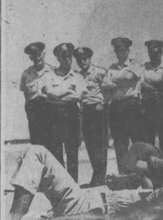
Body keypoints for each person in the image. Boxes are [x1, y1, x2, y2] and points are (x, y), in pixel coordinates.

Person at [5, 145, 163, 220]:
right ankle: (14, 219)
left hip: (85, 205)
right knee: (33, 154)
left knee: (38, 154)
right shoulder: (159, 188)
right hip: (85, 199)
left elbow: (153, 161)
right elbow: (147, 162)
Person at [41, 43, 86, 182]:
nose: (68, 60)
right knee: (56, 150)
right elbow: (49, 93)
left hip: (71, 115)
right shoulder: (48, 75)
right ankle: (60, 184)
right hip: (54, 116)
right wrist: (67, 92)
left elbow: (78, 96)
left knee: (72, 151)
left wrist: (57, 96)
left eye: (69, 57)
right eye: (64, 57)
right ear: (58, 58)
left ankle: (73, 183)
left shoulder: (77, 77)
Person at [102, 37, 144, 174]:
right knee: (120, 144)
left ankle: (141, 174)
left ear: (128, 50)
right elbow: (104, 84)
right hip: (116, 107)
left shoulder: (135, 65)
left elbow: (130, 77)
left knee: (137, 142)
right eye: (117, 50)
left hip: (131, 106)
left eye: (123, 50)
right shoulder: (111, 68)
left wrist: (114, 81)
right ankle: (123, 175)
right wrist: (121, 80)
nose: (120, 53)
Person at [73, 47, 108, 188]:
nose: (82, 62)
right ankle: (96, 177)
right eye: (79, 59)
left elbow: (110, 91)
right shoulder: (78, 75)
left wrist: (103, 104)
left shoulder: (99, 72)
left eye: (84, 58)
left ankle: (100, 179)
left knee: (100, 146)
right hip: (85, 111)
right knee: (90, 146)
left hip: (98, 111)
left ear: (90, 58)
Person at [141, 40, 163, 154]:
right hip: (148, 105)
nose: (154, 57)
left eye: (156, 54)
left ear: (161, 53)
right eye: (151, 54)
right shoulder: (144, 67)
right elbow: (141, 82)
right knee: (149, 136)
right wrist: (154, 88)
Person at [20, 42, 52, 147]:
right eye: (34, 56)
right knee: (36, 144)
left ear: (44, 54)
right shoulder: (26, 74)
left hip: (50, 111)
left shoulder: (54, 71)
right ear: (30, 57)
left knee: (53, 144)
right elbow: (26, 95)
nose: (37, 58)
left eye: (39, 54)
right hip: (34, 112)